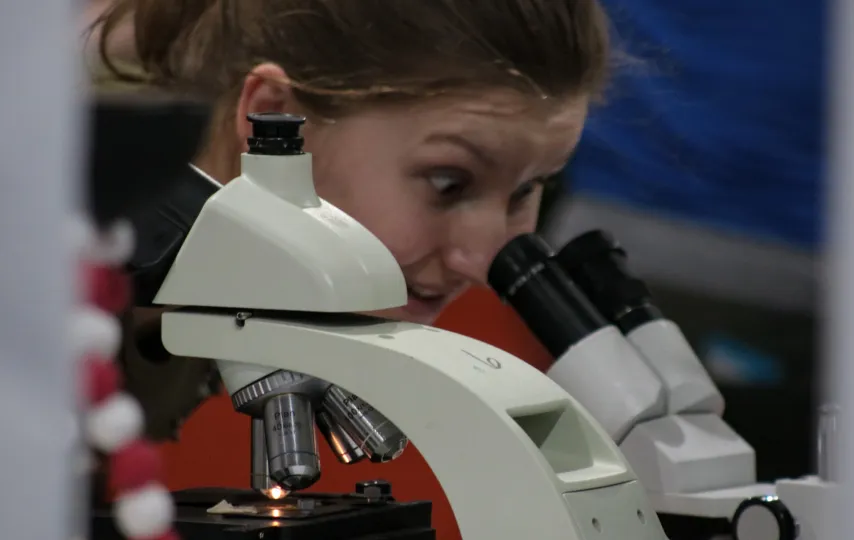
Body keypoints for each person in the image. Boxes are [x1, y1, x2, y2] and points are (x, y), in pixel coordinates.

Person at [90, 1, 612, 538]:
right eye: (448, 183)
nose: (483, 261)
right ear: (271, 118)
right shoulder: (60, 278)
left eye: (527, 190)